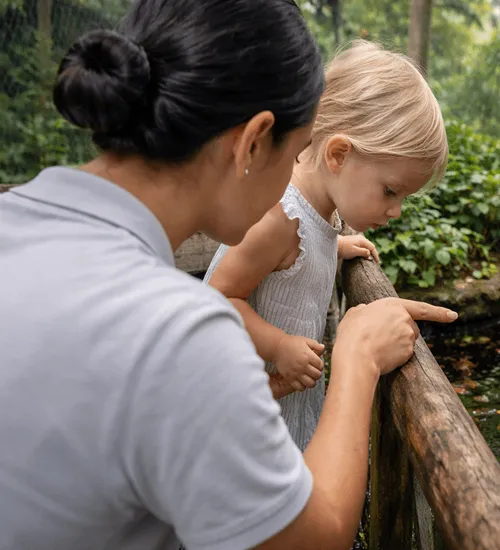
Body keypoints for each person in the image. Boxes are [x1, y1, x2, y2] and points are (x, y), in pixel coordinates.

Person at [0, 1, 457, 550]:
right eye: (296, 149)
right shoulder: (181, 335)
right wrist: (357, 356)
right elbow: (312, 540)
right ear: (254, 142)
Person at [204, 41, 449, 451]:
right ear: (338, 154)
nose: (396, 211)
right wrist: (279, 346)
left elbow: (294, 256)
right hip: (246, 410)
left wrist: (335, 244)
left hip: (280, 396)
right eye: (391, 190)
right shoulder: (278, 218)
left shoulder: (316, 214)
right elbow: (216, 298)